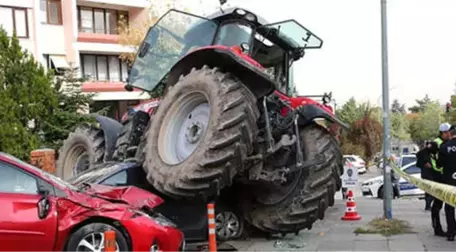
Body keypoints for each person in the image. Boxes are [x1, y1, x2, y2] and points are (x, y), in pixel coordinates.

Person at [430, 122, 453, 237]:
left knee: (449, 203)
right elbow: (434, 161)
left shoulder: (445, 143)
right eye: (448, 132)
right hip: (438, 176)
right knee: (438, 203)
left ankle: (450, 228)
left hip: (445, 176)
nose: (450, 134)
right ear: (444, 133)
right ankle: (437, 227)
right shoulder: (437, 143)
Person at [437, 125, 456, 241]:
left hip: (449, 181)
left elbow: (439, 164)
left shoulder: (444, 147)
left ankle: (451, 233)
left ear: (450, 133)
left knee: (449, 207)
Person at [416, 140, 434, 210]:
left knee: (428, 191)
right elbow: (427, 164)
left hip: (424, 174)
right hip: (428, 174)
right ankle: (428, 205)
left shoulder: (423, 152)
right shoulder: (425, 153)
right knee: (431, 191)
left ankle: (428, 206)